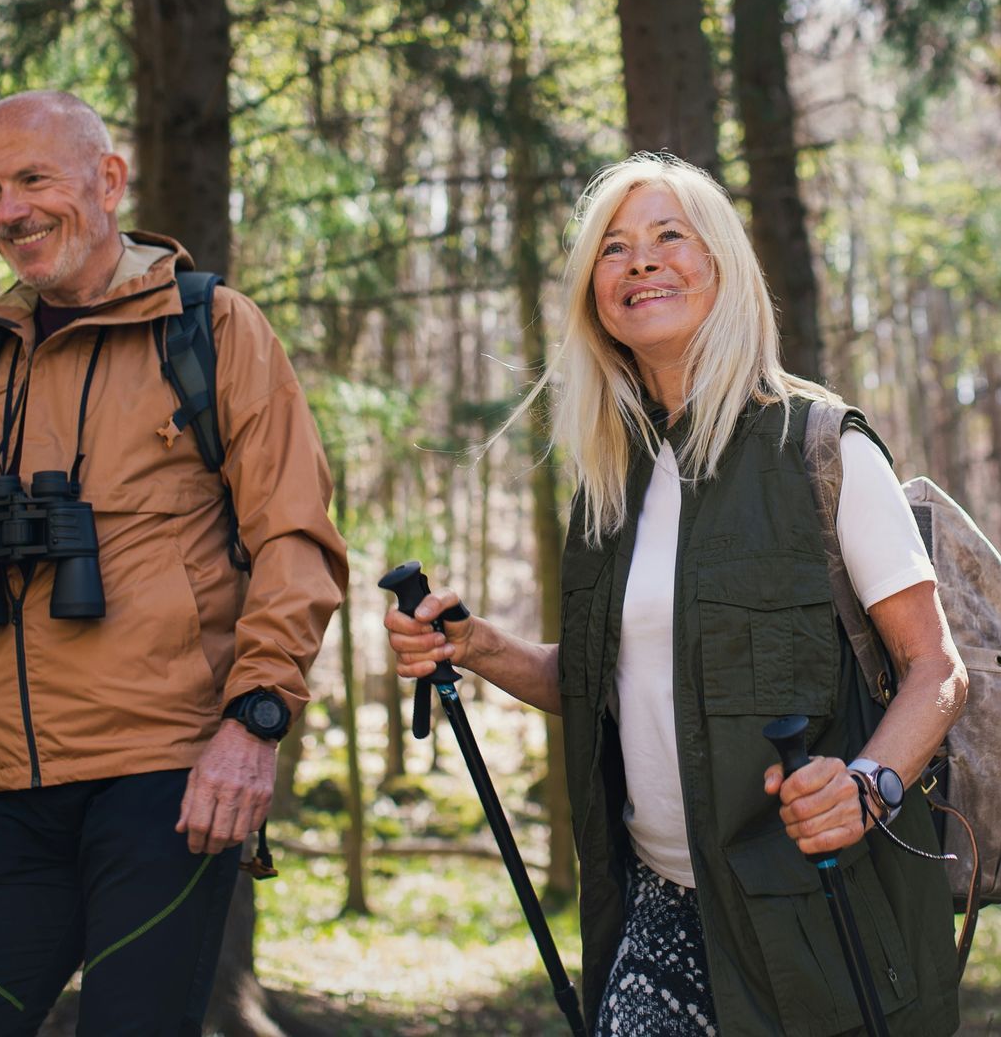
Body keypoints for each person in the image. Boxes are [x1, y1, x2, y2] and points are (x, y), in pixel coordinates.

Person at [385, 153, 966, 1036]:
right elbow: (608, 683)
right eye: (613, 250)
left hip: (817, 916)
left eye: (669, 238)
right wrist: (477, 647)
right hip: (657, 902)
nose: (641, 262)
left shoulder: (821, 449)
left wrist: (869, 784)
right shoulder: (610, 486)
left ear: (722, 265)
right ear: (594, 298)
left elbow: (938, 670)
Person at [0, 91, 348, 1034]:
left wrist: (256, 721)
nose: (9, 210)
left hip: (165, 781)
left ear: (108, 179)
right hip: (0, 785)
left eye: (33, 179)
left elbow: (295, 539)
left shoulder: (213, 332)